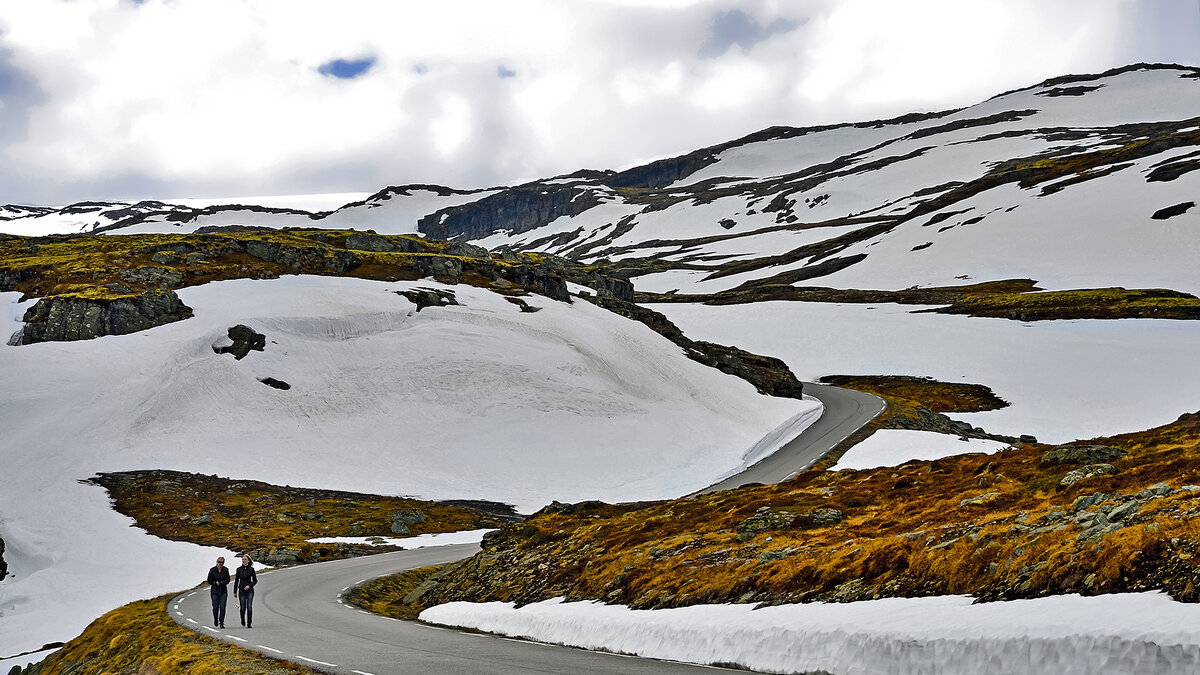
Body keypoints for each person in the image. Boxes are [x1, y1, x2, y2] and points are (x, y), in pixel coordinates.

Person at [206, 556, 231, 628]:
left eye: (222, 562)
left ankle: (222, 622)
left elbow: (228, 580)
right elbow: (209, 580)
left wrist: (222, 582)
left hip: (223, 591)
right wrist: (214, 582)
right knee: (215, 607)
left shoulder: (226, 570)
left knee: (223, 607)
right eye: (219, 562)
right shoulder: (212, 570)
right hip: (215, 591)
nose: (221, 564)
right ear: (217, 562)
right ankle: (216, 619)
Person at [235, 553, 258, 628]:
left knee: (249, 606)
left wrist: (249, 585)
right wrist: (235, 591)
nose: (243, 561)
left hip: (250, 590)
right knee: (243, 608)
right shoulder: (239, 569)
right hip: (241, 590)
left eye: (245, 559)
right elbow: (236, 581)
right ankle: (242, 619)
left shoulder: (251, 569)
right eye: (242, 559)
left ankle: (249, 623)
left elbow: (255, 581)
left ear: (248, 561)